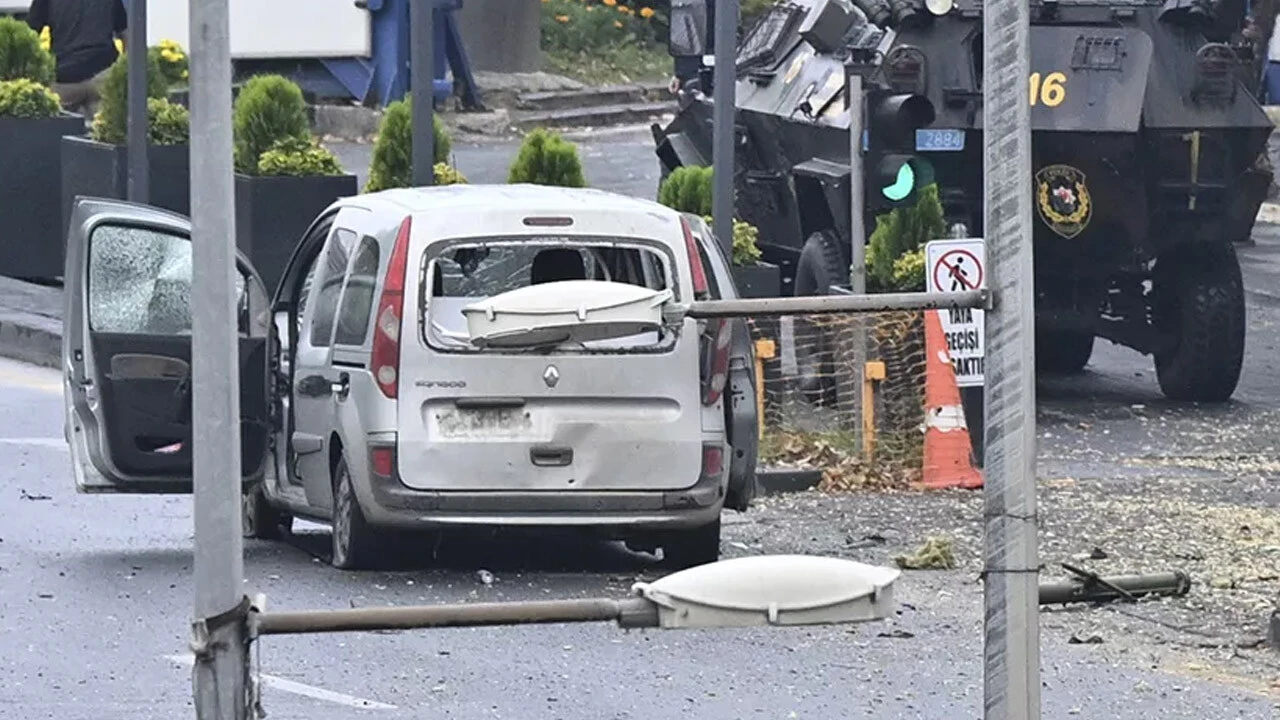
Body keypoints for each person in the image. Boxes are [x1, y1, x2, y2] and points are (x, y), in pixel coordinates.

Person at [25, 0, 128, 122]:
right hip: (102, 75)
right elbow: (126, 33)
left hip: (64, 81)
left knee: (58, 135)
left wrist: (36, 76)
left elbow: (27, 38)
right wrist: (123, 71)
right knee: (103, 133)